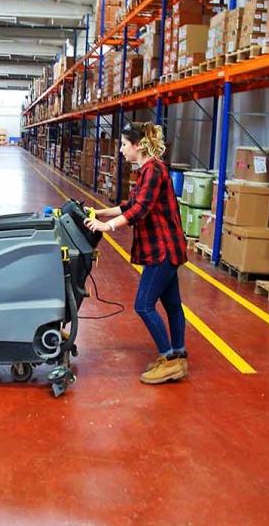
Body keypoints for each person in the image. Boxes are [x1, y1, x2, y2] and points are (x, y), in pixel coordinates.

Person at [84, 121, 188, 385]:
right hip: (166, 247)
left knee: (143, 305)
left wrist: (106, 227)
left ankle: (169, 360)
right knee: (173, 305)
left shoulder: (154, 170)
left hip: (162, 249)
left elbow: (139, 211)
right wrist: (97, 213)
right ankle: (178, 355)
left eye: (123, 145)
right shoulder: (146, 170)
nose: (120, 150)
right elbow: (130, 205)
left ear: (138, 145)